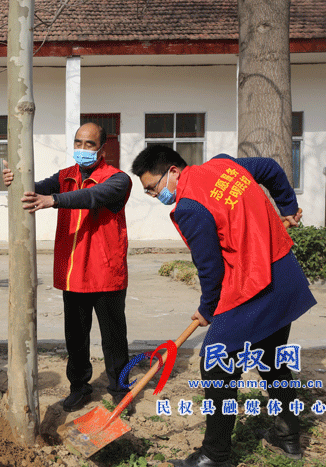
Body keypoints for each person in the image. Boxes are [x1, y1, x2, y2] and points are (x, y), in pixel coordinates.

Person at [130, 145, 316, 467]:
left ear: (173, 171)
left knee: (216, 364)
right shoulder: (224, 165)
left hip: (256, 286)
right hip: (284, 275)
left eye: (152, 187)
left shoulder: (189, 207)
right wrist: (288, 206)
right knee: (270, 358)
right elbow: (270, 167)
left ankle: (214, 456)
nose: (152, 195)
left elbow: (210, 267)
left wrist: (207, 308)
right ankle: (287, 435)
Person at [2, 122, 133, 413]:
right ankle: (79, 387)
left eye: (89, 144)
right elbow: (32, 190)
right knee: (75, 338)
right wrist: (15, 180)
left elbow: (91, 198)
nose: (82, 149)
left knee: (114, 339)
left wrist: (54, 201)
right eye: (78, 142)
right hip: (73, 274)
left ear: (102, 148)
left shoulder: (117, 180)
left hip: (106, 273)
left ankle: (119, 388)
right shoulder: (65, 177)